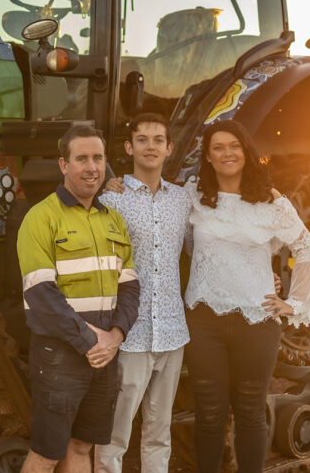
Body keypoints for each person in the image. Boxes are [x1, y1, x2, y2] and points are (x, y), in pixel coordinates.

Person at [184, 119, 310, 473]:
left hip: (256, 324)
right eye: (218, 148)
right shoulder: (193, 195)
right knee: (210, 413)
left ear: (246, 152)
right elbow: (187, 246)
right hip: (204, 323)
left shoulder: (270, 202)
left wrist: (293, 302)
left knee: (249, 412)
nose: (227, 153)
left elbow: (306, 248)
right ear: (209, 157)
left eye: (234, 146)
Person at [16, 125, 141, 473]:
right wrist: (91, 341)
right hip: (60, 355)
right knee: (46, 453)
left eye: (98, 158)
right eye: (81, 158)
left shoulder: (113, 220)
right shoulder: (41, 217)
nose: (91, 167)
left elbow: (129, 286)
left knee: (83, 445)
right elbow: (41, 295)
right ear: (63, 164)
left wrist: (115, 337)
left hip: (104, 355)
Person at [94, 113, 193, 473]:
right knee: (115, 434)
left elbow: (204, 251)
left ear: (169, 148)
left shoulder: (183, 200)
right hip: (130, 333)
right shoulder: (112, 200)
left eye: (157, 140)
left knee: (159, 432)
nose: (150, 146)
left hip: (172, 331)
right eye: (142, 139)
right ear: (129, 147)